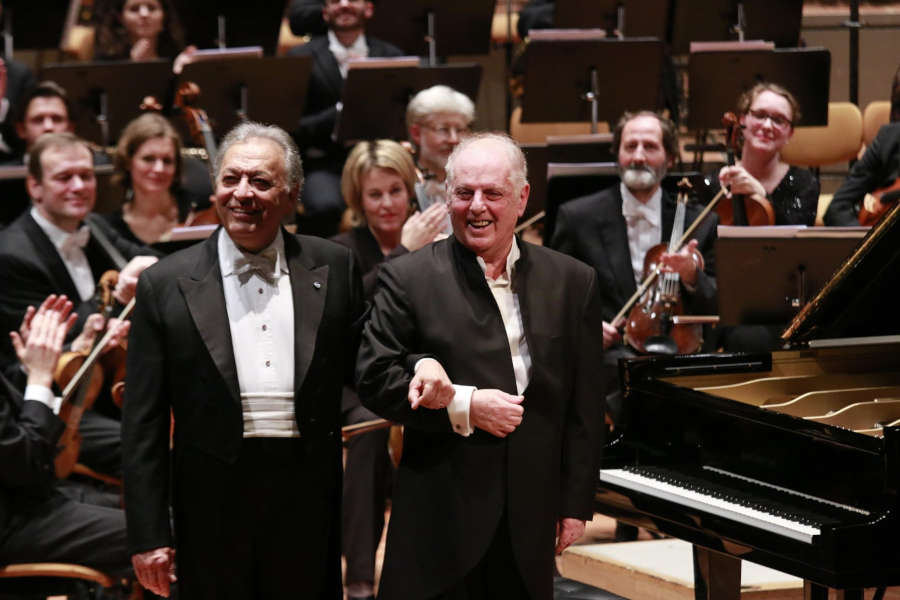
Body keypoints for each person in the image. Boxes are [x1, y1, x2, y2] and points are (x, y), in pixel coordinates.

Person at [122, 122, 366, 599]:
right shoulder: (164, 283)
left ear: (293, 193)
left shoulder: (335, 265)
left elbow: (366, 367)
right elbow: (143, 423)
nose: (243, 194)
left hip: (307, 491)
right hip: (209, 497)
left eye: (261, 181)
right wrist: (150, 534)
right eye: (231, 179)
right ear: (214, 187)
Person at [357, 133, 604, 600]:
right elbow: (374, 376)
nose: (477, 207)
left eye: (492, 194)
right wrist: (463, 403)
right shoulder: (407, 277)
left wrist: (575, 503)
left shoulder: (573, 280)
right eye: (464, 193)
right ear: (446, 195)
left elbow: (583, 403)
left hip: (530, 517)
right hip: (439, 516)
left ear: (522, 198)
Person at [0, 132, 157, 477]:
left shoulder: (94, 226)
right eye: (63, 177)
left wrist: (151, 268)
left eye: (85, 176)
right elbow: (56, 339)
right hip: (59, 403)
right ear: (35, 187)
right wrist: (115, 298)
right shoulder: (12, 255)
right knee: (150, 444)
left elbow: (149, 259)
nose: (79, 186)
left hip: (110, 384)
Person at [331, 139, 445, 600]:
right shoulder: (340, 250)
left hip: (414, 371)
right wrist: (401, 252)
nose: (387, 204)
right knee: (369, 430)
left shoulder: (439, 245)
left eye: (395, 191)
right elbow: (348, 320)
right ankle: (360, 578)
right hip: (350, 379)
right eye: (374, 195)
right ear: (358, 200)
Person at [550, 111, 716, 412]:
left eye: (650, 147)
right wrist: (583, 327)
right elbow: (551, 293)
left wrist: (692, 275)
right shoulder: (577, 217)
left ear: (671, 157)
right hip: (609, 352)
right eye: (630, 146)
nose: (639, 156)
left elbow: (720, 300)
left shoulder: (700, 221)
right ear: (618, 154)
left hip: (679, 349)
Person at [0, 294, 130, 576]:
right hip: (13, 519)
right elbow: (23, 463)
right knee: (162, 535)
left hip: (31, 497)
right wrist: (40, 376)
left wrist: (35, 364)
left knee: (160, 511)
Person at [288, 0, 403, 237]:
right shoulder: (299, 57)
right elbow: (292, 128)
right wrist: (340, 113)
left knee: (399, 201)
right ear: (325, 12)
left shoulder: (391, 55)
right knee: (324, 206)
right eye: (334, 0)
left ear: (369, 8)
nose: (343, 4)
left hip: (379, 159)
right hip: (324, 163)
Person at [716, 82, 819, 226]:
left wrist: (761, 195)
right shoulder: (717, 181)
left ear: (790, 133)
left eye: (778, 120)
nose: (767, 126)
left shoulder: (805, 184)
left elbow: (797, 237)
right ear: (742, 119)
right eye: (759, 115)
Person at [102, 112, 210, 247]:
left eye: (167, 161)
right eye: (148, 159)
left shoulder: (201, 211)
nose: (159, 169)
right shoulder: (111, 229)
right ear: (128, 162)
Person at [406, 85, 475, 234]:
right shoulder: (403, 186)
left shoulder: (476, 183)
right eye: (443, 129)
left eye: (460, 130)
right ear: (416, 133)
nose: (453, 139)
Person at [94, 0, 185, 62]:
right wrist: (132, 64)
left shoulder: (176, 58)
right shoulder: (105, 62)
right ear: (120, 18)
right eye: (134, 9)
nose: (144, 14)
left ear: (164, 17)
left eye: (151, 8)